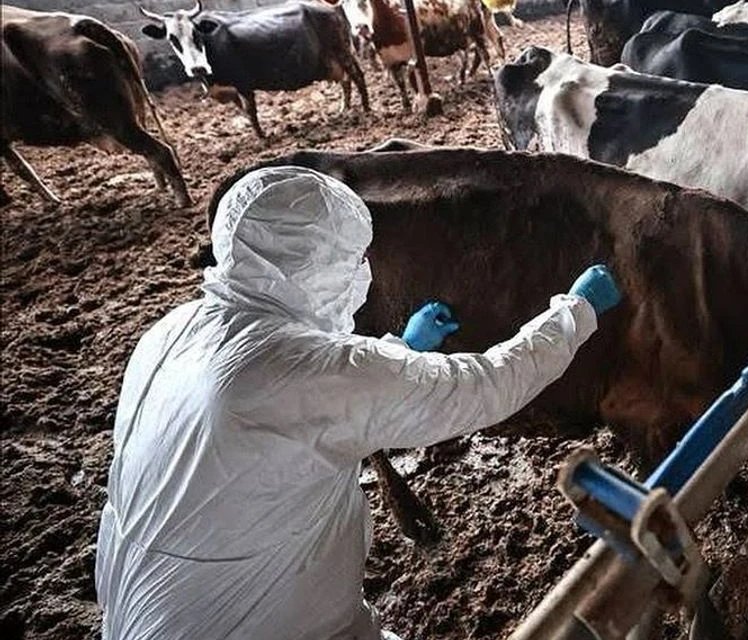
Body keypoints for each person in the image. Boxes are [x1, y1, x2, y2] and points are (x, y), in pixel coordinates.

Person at [94, 166, 622, 639]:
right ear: (317, 264)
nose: (360, 272)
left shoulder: (171, 331)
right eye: (348, 258)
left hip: (137, 614)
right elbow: (487, 383)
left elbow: (306, 394)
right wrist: (575, 311)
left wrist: (399, 351)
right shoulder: (301, 372)